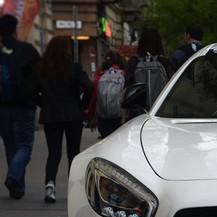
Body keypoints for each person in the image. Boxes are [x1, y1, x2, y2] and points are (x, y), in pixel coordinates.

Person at [32, 36, 93, 203]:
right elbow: (88, 86)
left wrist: (44, 103)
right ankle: (73, 189)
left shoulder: (41, 69)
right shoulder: (74, 67)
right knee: (73, 153)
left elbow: (31, 92)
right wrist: (83, 105)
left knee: (54, 153)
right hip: (73, 114)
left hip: (51, 115)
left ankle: (50, 186)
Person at [0, 14, 41, 199]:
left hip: (3, 107)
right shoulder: (26, 50)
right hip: (24, 106)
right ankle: (13, 176)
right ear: (15, 29)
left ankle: (18, 187)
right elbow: (39, 76)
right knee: (24, 146)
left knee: (10, 146)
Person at [122, 28, 174, 122]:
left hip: (136, 115)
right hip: (161, 114)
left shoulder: (133, 62)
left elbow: (126, 89)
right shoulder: (164, 62)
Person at [87, 50, 126, 139]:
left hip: (103, 118)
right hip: (119, 118)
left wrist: (92, 117)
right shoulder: (123, 74)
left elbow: (94, 99)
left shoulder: (99, 76)